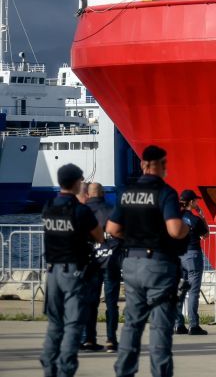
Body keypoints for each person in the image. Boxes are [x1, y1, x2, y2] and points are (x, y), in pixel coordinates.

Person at [107, 145, 189, 377]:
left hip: (132, 262)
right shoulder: (165, 193)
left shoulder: (127, 192)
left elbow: (112, 228)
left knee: (132, 324)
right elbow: (174, 230)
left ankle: (124, 371)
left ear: (143, 164)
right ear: (161, 165)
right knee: (160, 327)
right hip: (159, 264)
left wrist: (132, 237)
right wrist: (185, 229)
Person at [40, 163, 104, 377]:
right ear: (77, 182)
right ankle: (66, 370)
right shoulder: (80, 211)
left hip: (52, 272)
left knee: (54, 324)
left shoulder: (49, 205)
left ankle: (49, 366)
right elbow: (99, 237)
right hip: (73, 271)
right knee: (73, 324)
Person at [80, 182, 114, 353]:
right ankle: (111, 339)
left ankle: (88, 338)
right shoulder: (111, 209)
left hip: (90, 260)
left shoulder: (82, 211)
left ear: (89, 194)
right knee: (111, 302)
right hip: (110, 260)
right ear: (102, 193)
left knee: (89, 302)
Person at [174, 189, 209, 336]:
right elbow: (206, 234)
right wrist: (202, 216)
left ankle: (178, 323)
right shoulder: (195, 220)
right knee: (194, 291)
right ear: (191, 202)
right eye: (196, 201)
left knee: (180, 290)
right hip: (193, 255)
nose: (197, 203)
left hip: (178, 255)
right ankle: (193, 325)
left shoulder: (175, 218)